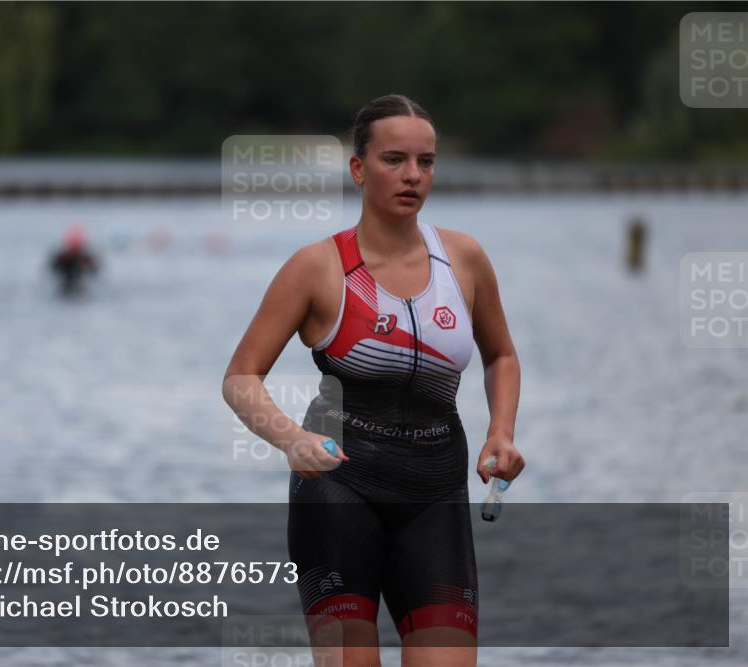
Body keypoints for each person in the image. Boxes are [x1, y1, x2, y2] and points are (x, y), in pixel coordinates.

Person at [222, 94, 524, 667]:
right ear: (358, 169)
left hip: (435, 486)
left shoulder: (464, 259)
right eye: (394, 160)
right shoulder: (317, 267)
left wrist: (501, 432)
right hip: (339, 484)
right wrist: (292, 440)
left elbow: (501, 355)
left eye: (425, 162)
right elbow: (241, 377)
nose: (413, 175)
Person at [50, 223, 99, 295]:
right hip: (64, 286)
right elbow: (53, 270)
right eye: (72, 247)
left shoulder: (86, 258)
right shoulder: (61, 257)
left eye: (77, 247)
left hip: (81, 286)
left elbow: (95, 273)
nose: (74, 250)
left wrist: (87, 265)